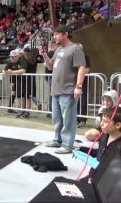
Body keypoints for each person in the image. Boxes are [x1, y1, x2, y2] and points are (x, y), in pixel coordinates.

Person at [40, 25, 87, 154]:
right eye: (54, 35)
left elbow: (82, 68)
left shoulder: (75, 48)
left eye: (56, 34)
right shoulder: (58, 49)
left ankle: (67, 145)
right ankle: (57, 140)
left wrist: (78, 86)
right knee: (57, 118)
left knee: (69, 119)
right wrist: (44, 55)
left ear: (65, 34)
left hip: (68, 90)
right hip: (55, 90)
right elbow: (50, 67)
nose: (54, 37)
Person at [3, 48, 23, 113]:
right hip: (13, 80)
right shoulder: (10, 62)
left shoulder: (21, 61)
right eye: (11, 57)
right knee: (13, 93)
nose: (11, 58)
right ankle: (10, 107)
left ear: (17, 56)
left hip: (21, 80)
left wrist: (13, 72)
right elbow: (4, 70)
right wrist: (7, 71)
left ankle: (21, 108)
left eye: (13, 57)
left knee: (21, 94)